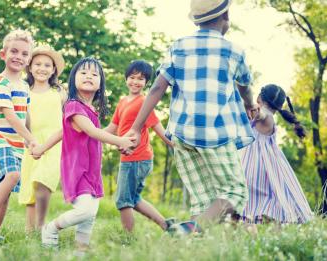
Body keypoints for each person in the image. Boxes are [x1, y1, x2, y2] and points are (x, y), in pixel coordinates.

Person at [124, 0, 258, 233]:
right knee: (235, 192)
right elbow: (245, 85)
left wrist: (136, 127)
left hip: (182, 134)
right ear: (225, 15)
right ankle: (187, 231)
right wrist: (249, 104)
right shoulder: (233, 51)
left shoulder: (179, 46)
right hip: (215, 134)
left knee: (202, 197)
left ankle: (193, 250)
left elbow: (157, 87)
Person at [31, 57, 135, 253]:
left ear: (100, 84)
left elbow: (66, 131)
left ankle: (80, 252)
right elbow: (92, 132)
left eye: (94, 74)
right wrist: (120, 141)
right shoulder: (73, 106)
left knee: (91, 214)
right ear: (73, 80)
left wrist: (42, 148)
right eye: (84, 73)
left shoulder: (90, 110)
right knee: (85, 210)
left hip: (92, 170)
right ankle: (50, 228)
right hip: (77, 169)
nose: (89, 76)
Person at [0, 29, 39, 243]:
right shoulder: (1, 83)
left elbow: (25, 114)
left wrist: (31, 138)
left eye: (24, 54)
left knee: (7, 185)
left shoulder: (23, 86)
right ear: (3, 54)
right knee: (12, 176)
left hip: (16, 143)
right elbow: (10, 116)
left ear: (29, 59)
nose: (18, 56)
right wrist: (30, 138)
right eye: (14, 51)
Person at [104, 60, 175, 232]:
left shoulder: (145, 102)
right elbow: (111, 129)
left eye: (141, 79)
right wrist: (88, 134)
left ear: (146, 83)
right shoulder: (122, 102)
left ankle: (128, 239)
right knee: (133, 199)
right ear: (126, 78)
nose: (135, 82)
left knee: (123, 201)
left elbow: (158, 128)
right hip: (129, 159)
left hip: (137, 158)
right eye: (132, 77)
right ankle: (167, 226)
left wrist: (174, 144)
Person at [241, 84, 313, 224]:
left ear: (259, 98)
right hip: (265, 167)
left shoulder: (265, 115)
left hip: (252, 165)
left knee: (252, 205)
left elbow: (261, 114)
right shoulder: (259, 113)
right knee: (275, 201)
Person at [18, 45, 66, 233]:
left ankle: (41, 225)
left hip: (55, 143)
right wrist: (27, 140)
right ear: (30, 67)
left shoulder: (59, 92)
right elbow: (22, 120)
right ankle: (31, 232)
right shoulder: (24, 92)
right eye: (37, 64)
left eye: (47, 65)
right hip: (31, 144)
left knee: (42, 181)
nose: (42, 68)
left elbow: (68, 119)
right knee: (31, 190)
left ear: (53, 69)